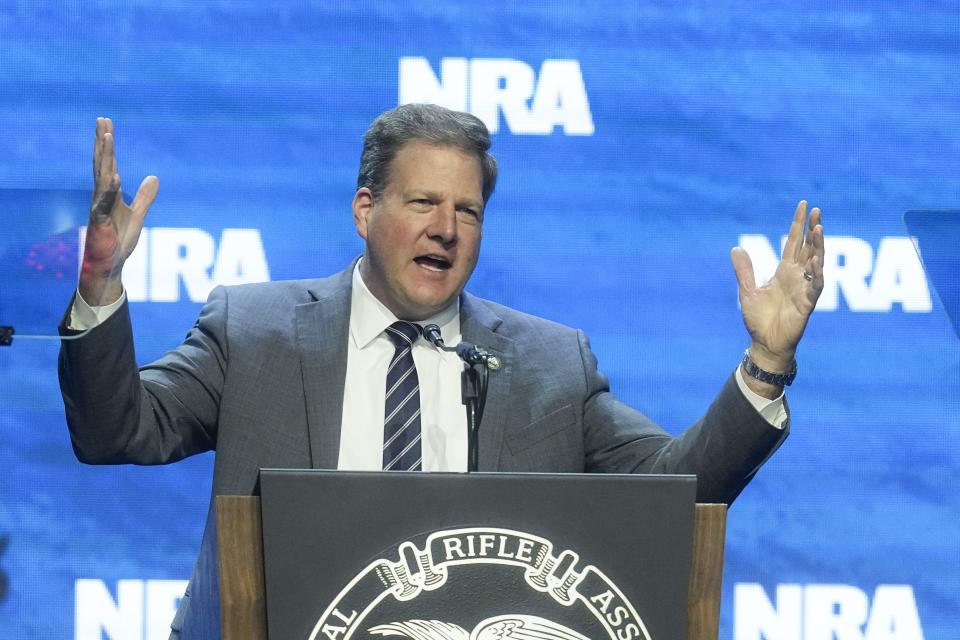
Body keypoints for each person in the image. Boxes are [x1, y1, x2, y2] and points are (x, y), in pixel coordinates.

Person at [59, 104, 824, 638]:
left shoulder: (550, 362)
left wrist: (766, 364)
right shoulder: (254, 331)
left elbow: (674, 493)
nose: (446, 230)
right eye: (423, 201)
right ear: (364, 210)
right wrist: (98, 285)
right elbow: (118, 429)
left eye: (468, 211)